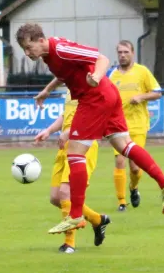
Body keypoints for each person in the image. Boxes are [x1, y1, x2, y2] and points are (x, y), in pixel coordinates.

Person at [15, 23, 164, 234]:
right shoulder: (49, 57)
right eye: (24, 50)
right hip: (105, 95)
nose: (27, 53)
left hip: (95, 98)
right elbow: (65, 74)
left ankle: (75, 216)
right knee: (124, 146)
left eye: (29, 47)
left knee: (74, 153)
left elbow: (101, 59)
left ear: (40, 40)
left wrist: (96, 77)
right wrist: (47, 91)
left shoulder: (61, 48)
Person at [35, 91, 111, 253]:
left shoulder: (92, 87)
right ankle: (98, 220)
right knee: (56, 198)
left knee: (66, 193)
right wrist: (49, 131)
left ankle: (69, 243)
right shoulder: (71, 88)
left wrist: (69, 132)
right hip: (65, 146)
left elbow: (92, 117)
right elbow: (66, 115)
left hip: (83, 144)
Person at [109, 40, 162, 211]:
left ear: (132, 53)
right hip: (118, 125)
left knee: (135, 166)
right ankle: (121, 201)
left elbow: (157, 93)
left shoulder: (142, 71)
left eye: (126, 52)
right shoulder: (112, 75)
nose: (122, 55)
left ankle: (133, 188)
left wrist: (141, 97)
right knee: (119, 160)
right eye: (120, 52)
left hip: (138, 125)